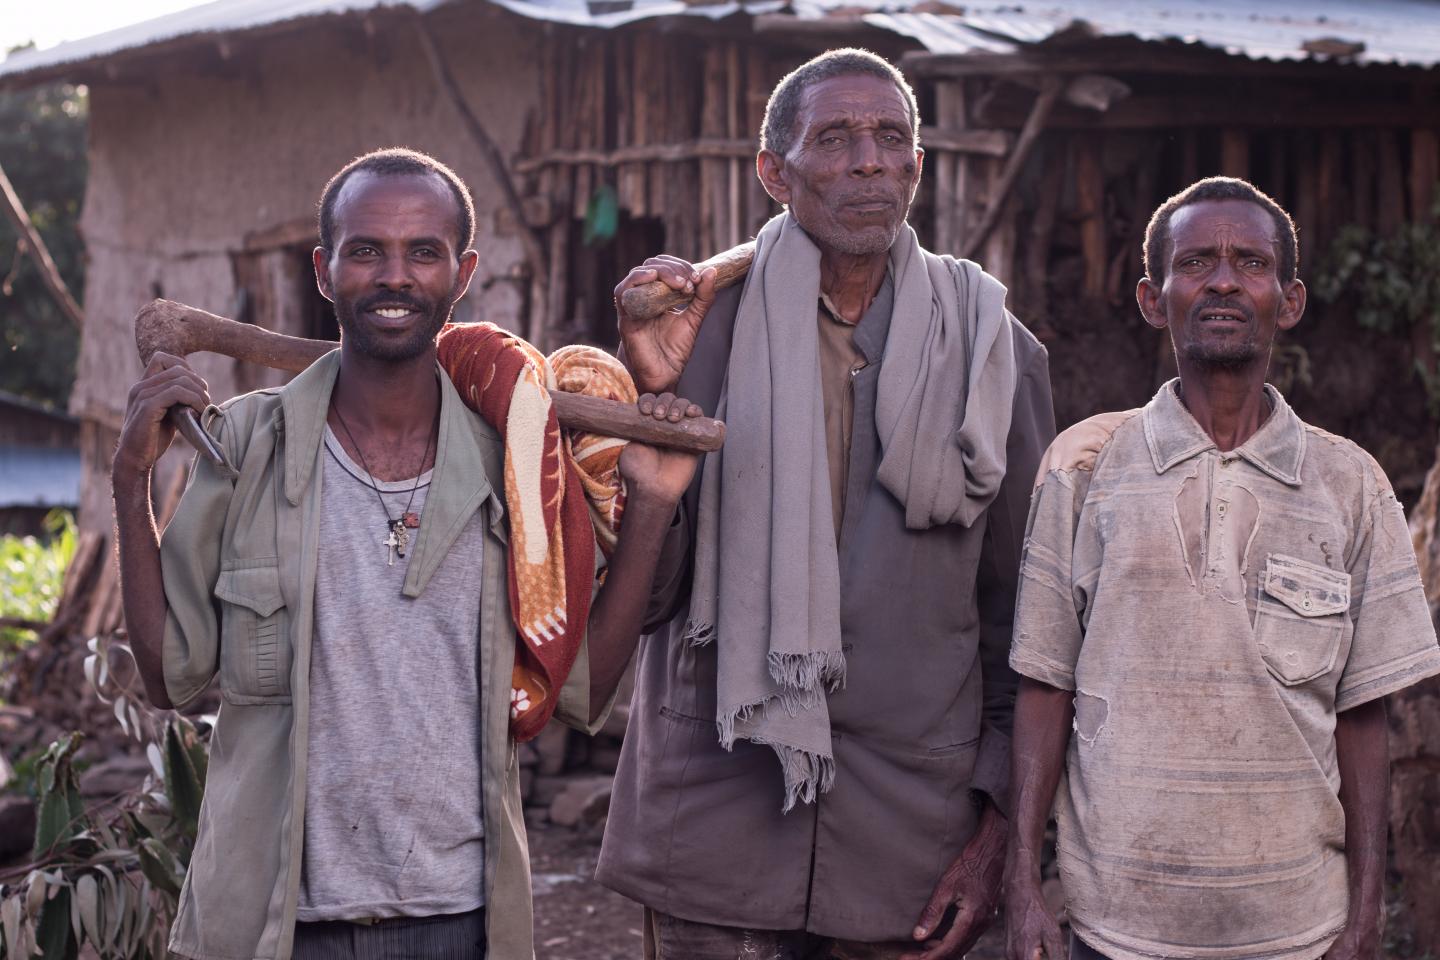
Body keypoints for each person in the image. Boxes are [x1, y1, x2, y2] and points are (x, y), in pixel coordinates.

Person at [113, 147, 702, 960]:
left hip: (463, 921)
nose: (396, 277)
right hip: (273, 924)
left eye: (423, 252)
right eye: (367, 251)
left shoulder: (520, 463)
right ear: (325, 271)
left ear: (461, 274)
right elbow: (167, 674)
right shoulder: (247, 448)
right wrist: (131, 479)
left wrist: (654, 504)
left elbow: (584, 688)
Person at [599, 49, 1056, 959]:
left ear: (918, 170)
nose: (869, 162)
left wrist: (1000, 834)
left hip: (910, 842)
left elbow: (1030, 621)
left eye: (892, 140)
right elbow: (645, 607)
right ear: (776, 172)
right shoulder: (693, 337)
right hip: (714, 821)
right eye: (836, 138)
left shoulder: (994, 355)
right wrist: (651, 427)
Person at [1003, 177, 1440, 960]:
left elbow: (1364, 713)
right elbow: (1044, 685)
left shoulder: (1352, 484)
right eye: (1198, 261)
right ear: (1152, 297)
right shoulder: (1084, 470)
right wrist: (1022, 887)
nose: (1225, 280)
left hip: (1299, 928)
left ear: (1291, 299)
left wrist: (1368, 914)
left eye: (1251, 262)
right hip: (1116, 929)